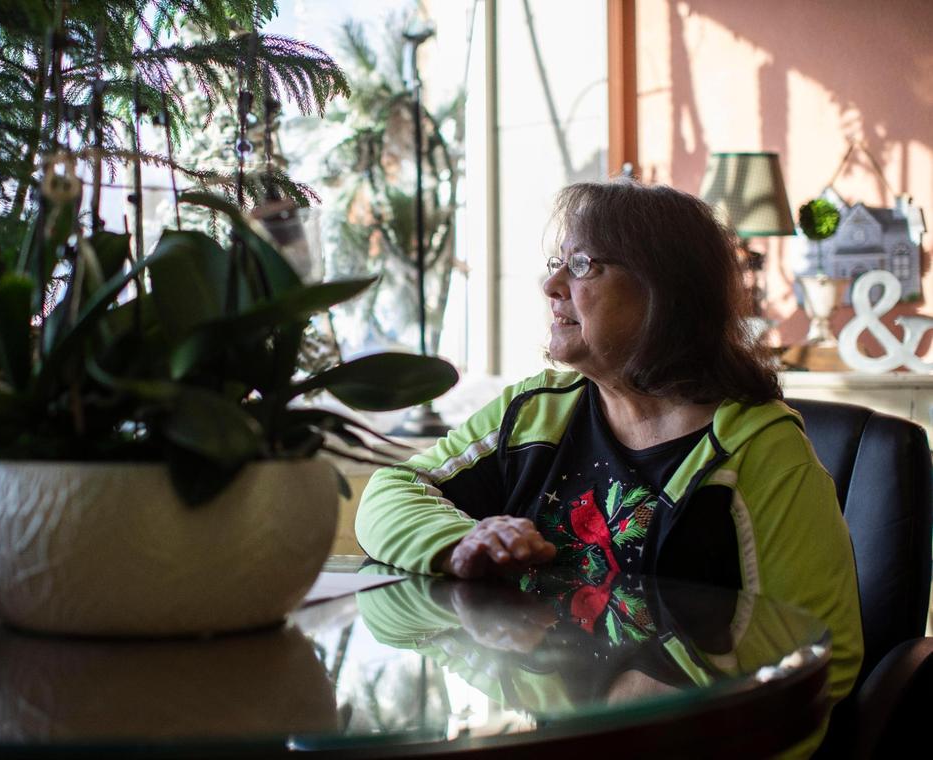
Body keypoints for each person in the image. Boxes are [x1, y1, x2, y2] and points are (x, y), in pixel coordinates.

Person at [355, 178, 863, 753]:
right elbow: (390, 492)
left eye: (581, 264)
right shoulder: (534, 414)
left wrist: (653, 704)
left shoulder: (758, 451)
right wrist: (458, 543)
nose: (551, 285)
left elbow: (830, 657)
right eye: (557, 262)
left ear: (663, 292)